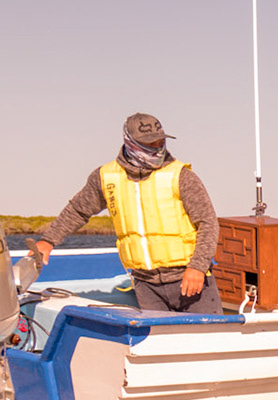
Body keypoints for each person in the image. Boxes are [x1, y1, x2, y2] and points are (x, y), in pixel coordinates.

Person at [28, 113, 223, 313]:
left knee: (209, 332)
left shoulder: (182, 176)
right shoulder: (105, 177)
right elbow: (78, 210)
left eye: (160, 141)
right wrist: (48, 240)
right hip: (146, 286)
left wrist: (198, 267)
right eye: (150, 143)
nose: (157, 147)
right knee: (156, 334)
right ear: (130, 143)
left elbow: (208, 223)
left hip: (191, 279)